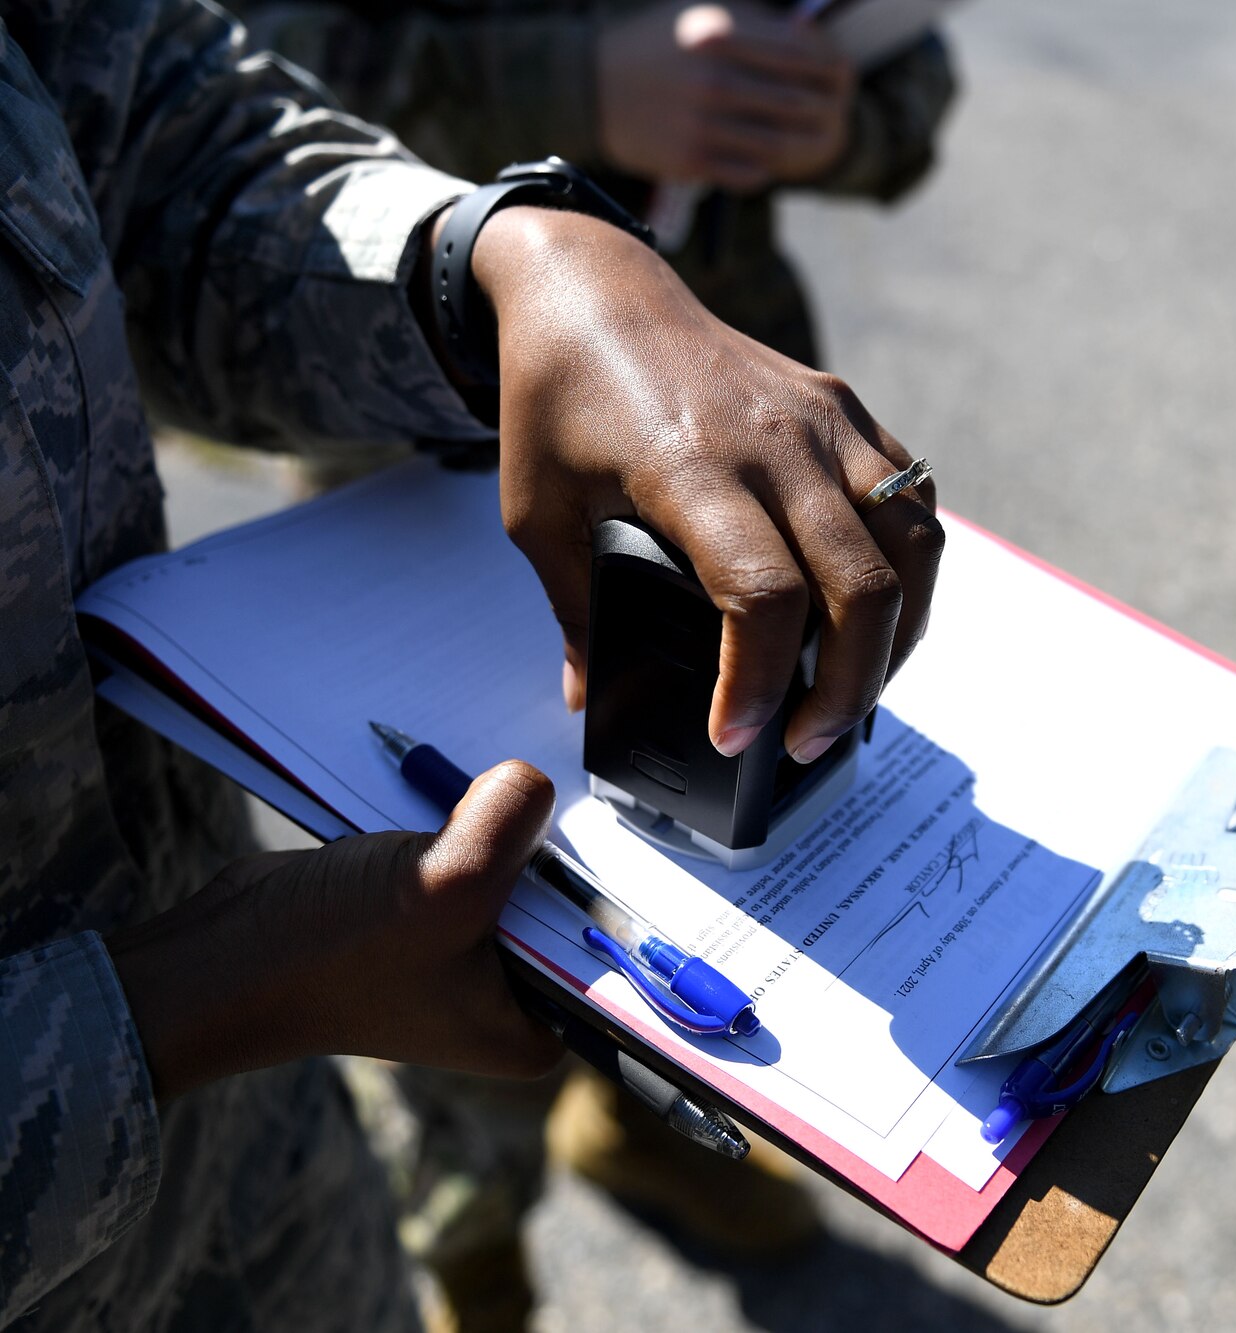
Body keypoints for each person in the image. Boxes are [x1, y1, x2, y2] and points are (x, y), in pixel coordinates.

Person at [0, 2, 942, 1329]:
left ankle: (622, 1141)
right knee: (472, 1042)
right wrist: (199, 1000)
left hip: (266, 1174)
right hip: (117, 1176)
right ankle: (473, 1232)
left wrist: (503, 264)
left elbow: (151, 119)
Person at [240, 0, 956, 369]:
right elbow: (229, 83)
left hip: (728, 349)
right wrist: (572, 89)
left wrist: (831, 129)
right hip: (434, 389)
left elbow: (912, 62)